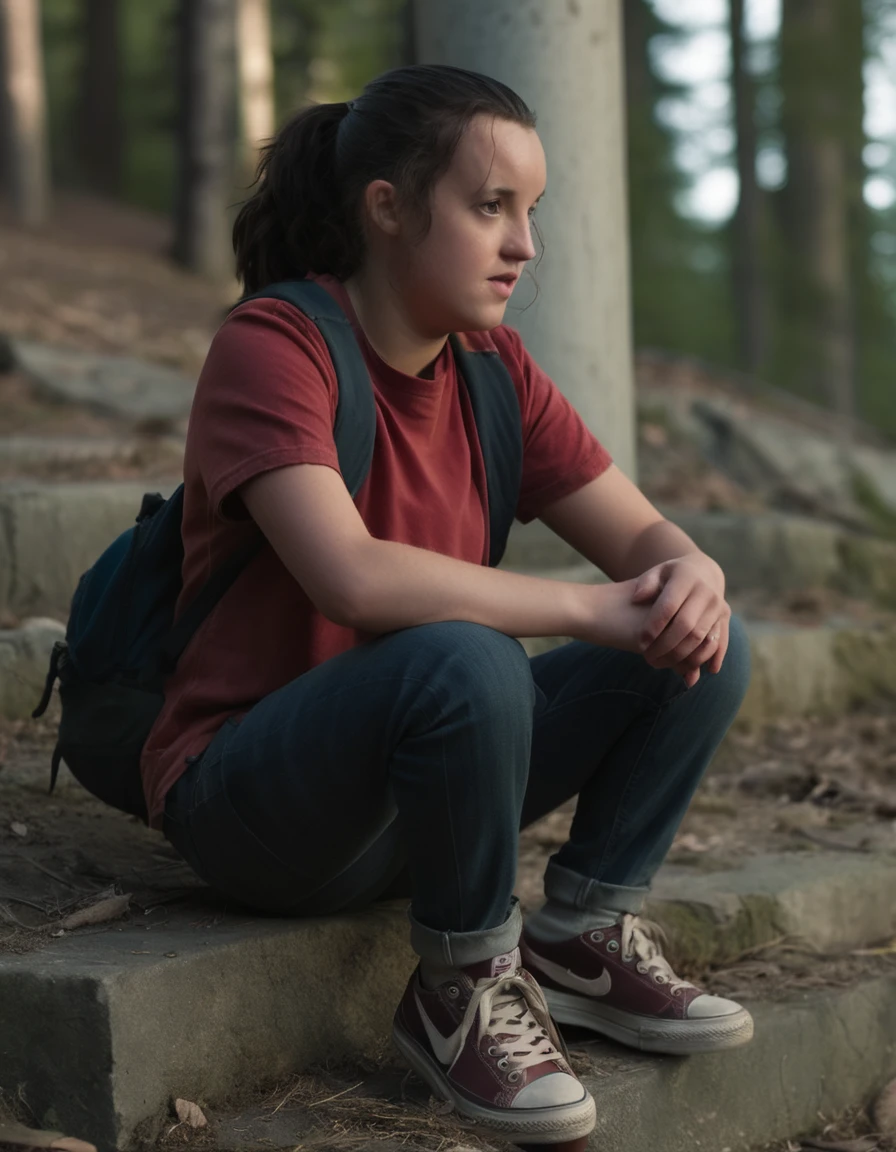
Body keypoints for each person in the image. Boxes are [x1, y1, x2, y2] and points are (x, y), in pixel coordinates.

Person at [147, 64, 752, 1147]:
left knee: (702, 635)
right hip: (254, 802)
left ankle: (578, 934)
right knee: (468, 656)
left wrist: (690, 573)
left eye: (530, 213)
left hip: (417, 795)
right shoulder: (276, 348)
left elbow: (647, 542)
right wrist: (589, 612)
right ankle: (461, 988)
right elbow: (353, 578)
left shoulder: (492, 371)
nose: (524, 246)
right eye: (490, 209)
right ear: (385, 208)